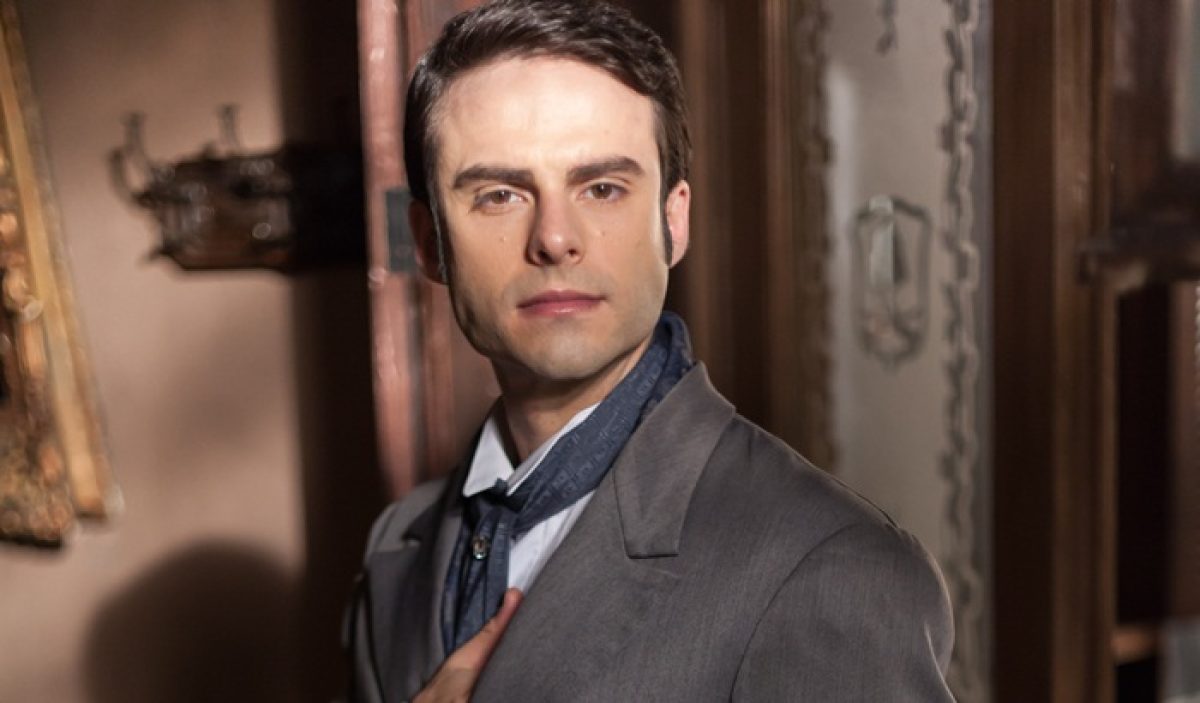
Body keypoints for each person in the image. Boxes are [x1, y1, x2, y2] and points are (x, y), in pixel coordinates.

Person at [344, 1, 955, 701]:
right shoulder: (399, 541)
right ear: (430, 244)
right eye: (500, 195)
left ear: (674, 219)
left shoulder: (836, 569)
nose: (555, 238)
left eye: (602, 188)